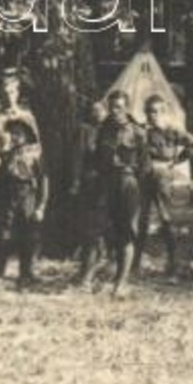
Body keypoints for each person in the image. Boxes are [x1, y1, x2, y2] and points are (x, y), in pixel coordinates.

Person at [138, 93, 193, 277]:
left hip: (162, 176)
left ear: (163, 112)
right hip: (143, 176)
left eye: (156, 111)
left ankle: (173, 264)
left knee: (166, 218)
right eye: (149, 111)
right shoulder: (141, 130)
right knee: (140, 219)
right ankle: (135, 262)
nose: (152, 115)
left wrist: (175, 161)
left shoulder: (171, 130)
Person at [0, 66, 38, 287]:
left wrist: (25, 164)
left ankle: (26, 273)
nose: (9, 95)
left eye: (13, 91)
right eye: (5, 91)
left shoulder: (28, 117)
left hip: (23, 178)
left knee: (26, 226)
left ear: (18, 92)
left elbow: (36, 146)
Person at [91, 89, 149, 297]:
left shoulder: (138, 132)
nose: (115, 111)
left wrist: (138, 191)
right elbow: (97, 157)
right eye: (111, 107)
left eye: (119, 107)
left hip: (128, 182)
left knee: (127, 232)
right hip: (106, 183)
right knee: (103, 229)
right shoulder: (103, 129)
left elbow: (145, 166)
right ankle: (102, 274)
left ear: (127, 108)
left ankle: (121, 282)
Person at [0, 116, 49, 289]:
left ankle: (26, 274)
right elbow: (2, 178)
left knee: (28, 236)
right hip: (9, 196)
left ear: (27, 135)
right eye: (12, 133)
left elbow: (43, 179)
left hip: (28, 194)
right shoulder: (7, 154)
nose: (14, 137)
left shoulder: (35, 154)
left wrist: (41, 205)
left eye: (18, 133)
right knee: (5, 235)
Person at [72, 100, 110, 291]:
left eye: (101, 110)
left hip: (111, 185)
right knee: (89, 228)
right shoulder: (85, 130)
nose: (98, 114)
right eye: (94, 111)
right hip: (90, 183)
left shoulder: (112, 130)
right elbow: (78, 157)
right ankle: (87, 271)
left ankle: (101, 265)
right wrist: (76, 181)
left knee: (105, 228)